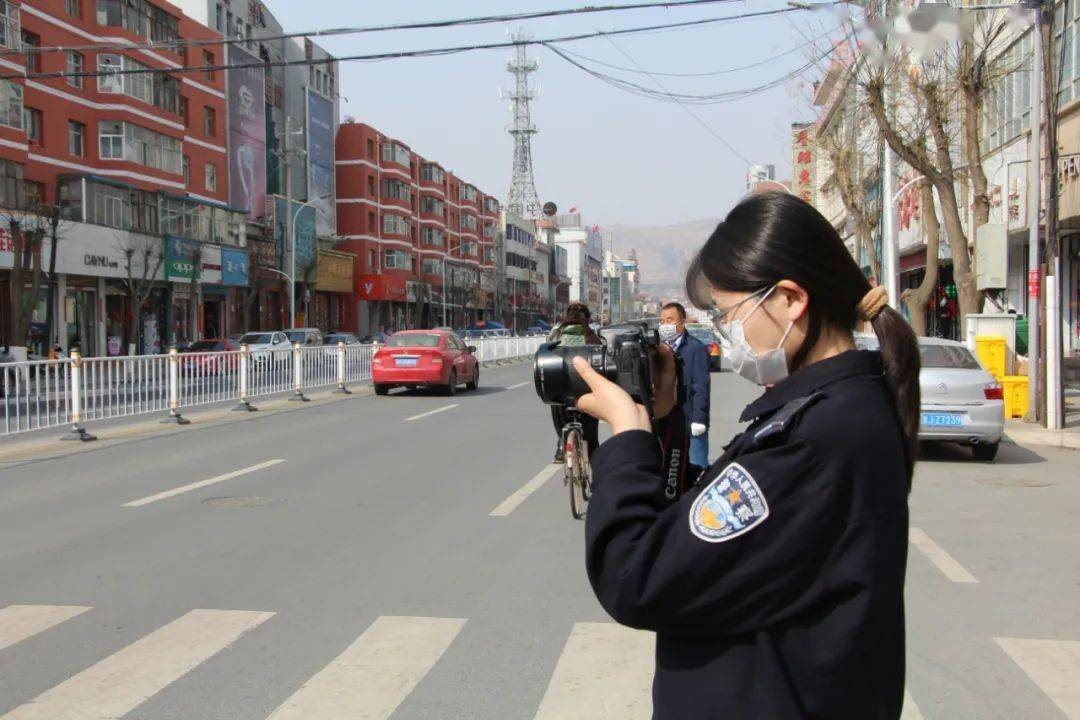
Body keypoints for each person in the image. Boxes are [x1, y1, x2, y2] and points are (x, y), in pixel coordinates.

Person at [573, 191, 919, 719]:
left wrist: (626, 436)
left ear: (790, 299)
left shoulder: (814, 438)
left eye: (726, 312)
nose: (723, 330)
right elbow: (698, 527)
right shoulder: (828, 410)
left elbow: (637, 577)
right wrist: (663, 416)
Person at [659, 301, 711, 474]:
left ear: (682, 322)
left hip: (690, 421)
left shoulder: (696, 348)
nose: (665, 325)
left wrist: (699, 419)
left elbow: (701, 387)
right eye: (662, 321)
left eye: (669, 320)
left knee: (696, 468)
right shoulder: (657, 349)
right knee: (671, 470)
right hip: (666, 422)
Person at [547, 303, 602, 464]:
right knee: (592, 440)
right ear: (588, 319)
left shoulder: (556, 334)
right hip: (586, 390)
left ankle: (561, 445)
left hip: (562, 389)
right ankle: (594, 459)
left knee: (554, 401)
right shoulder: (592, 336)